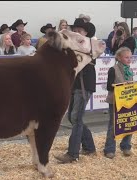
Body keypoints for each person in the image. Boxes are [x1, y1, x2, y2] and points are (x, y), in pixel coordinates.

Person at [54, 18, 97, 163]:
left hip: (85, 84)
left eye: (80, 30)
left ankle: (73, 154)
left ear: (86, 32)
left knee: (76, 118)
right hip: (75, 84)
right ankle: (89, 147)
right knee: (73, 118)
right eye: (76, 30)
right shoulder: (73, 45)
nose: (77, 32)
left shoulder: (91, 44)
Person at [104, 47, 134, 159]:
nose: (129, 59)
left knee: (130, 122)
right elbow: (108, 86)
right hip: (115, 101)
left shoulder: (130, 70)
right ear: (119, 57)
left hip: (128, 100)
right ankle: (109, 149)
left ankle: (126, 146)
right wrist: (121, 87)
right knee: (113, 125)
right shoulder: (113, 69)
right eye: (126, 57)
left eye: (130, 57)